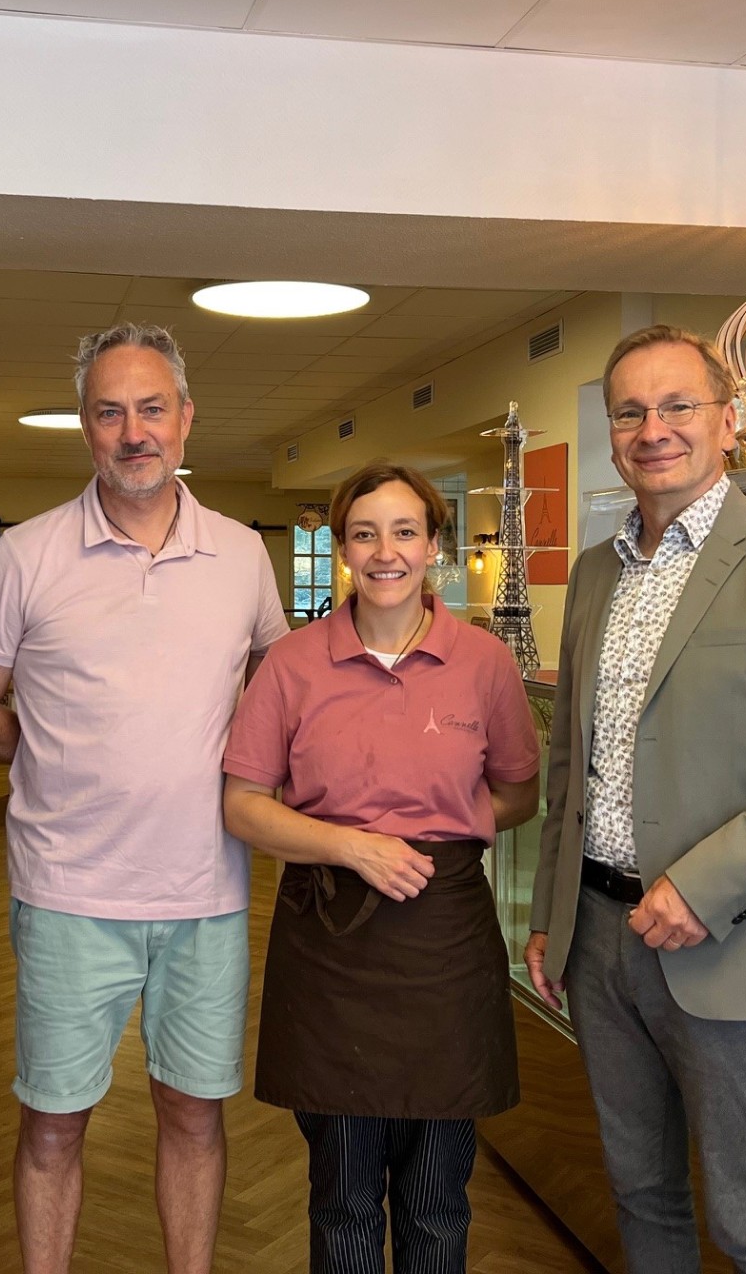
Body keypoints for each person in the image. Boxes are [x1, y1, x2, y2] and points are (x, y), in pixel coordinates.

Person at [523, 326, 746, 1274]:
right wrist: (551, 915)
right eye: (632, 411)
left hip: (730, 943)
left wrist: (703, 888)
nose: (656, 430)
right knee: (643, 1198)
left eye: (679, 406)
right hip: (600, 940)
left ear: (728, 423)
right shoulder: (600, 571)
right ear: (612, 433)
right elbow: (575, 760)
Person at [0, 323, 289, 1274]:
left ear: (186, 421)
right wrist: (60, 758)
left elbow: (273, 692)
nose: (133, 430)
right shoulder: (25, 555)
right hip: (68, 892)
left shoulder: (240, 556)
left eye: (152, 409)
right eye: (110, 412)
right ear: (85, 428)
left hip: (207, 893)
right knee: (52, 1126)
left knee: (193, 1112)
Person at [222, 462, 542, 1274]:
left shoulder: (483, 663)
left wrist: (452, 826)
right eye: (365, 533)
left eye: (405, 531)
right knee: (342, 1197)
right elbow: (244, 804)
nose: (386, 551)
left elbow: (520, 791)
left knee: (437, 1203)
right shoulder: (292, 665)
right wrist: (348, 844)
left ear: (433, 546)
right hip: (331, 942)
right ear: (342, 549)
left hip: (447, 940)